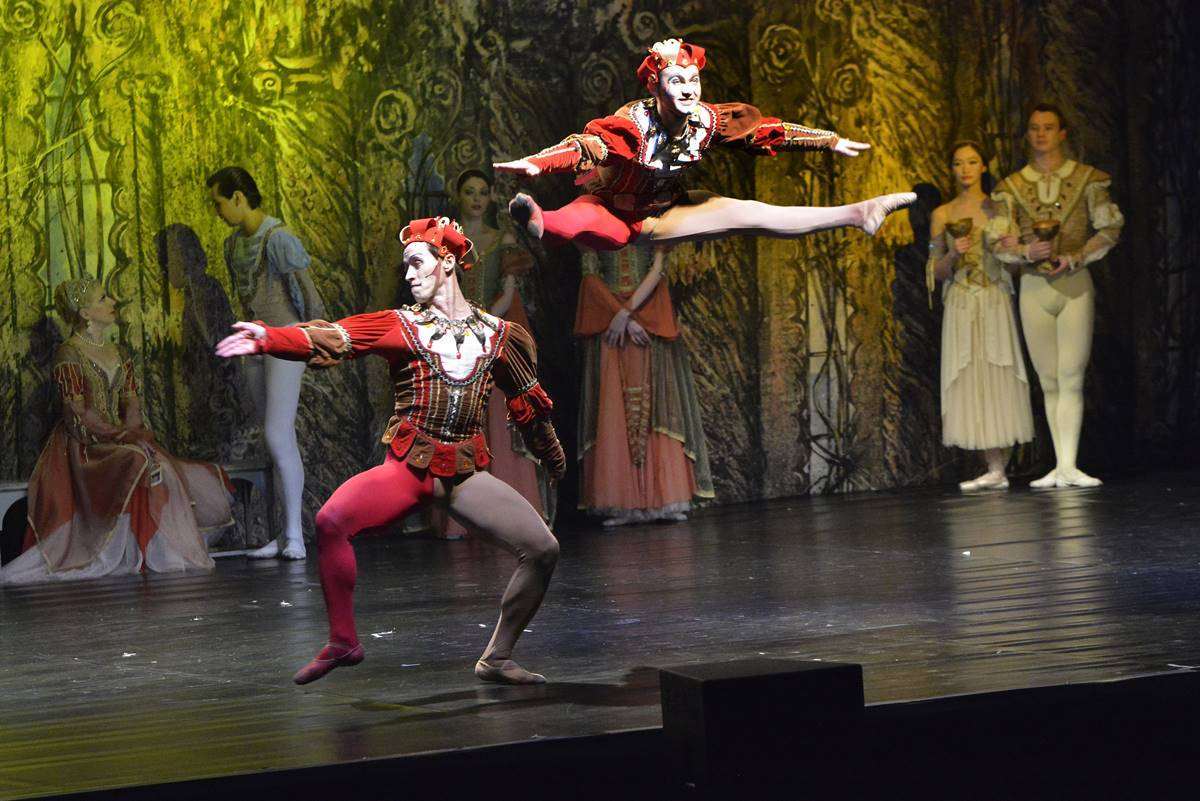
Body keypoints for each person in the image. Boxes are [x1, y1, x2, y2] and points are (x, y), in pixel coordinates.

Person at [216, 217, 566, 686]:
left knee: (543, 549)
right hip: (408, 470)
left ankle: (497, 657)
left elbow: (528, 404)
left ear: (447, 263)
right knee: (330, 521)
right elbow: (333, 337)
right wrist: (269, 337)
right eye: (406, 266)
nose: (409, 275)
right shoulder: (400, 325)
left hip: (464, 476)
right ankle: (344, 641)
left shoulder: (499, 336)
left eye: (417, 263)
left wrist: (552, 455)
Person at [495, 38, 915, 251]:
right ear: (655, 86)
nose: (688, 89)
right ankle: (540, 220)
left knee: (753, 213)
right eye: (676, 81)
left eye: (693, 80)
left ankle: (860, 213)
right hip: (614, 210)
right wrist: (538, 163)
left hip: (666, 213)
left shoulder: (705, 120)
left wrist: (828, 140)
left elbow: (764, 132)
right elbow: (588, 146)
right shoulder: (634, 125)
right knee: (584, 216)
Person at [1, 278, 233, 585]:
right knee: (136, 461)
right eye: (103, 298)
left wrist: (133, 432)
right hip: (84, 446)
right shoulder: (69, 354)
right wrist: (120, 436)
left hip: (120, 437)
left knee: (159, 465)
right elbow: (77, 415)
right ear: (85, 313)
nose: (112, 302)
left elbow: (131, 400)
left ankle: (152, 552)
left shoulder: (118, 351)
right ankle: (121, 553)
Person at [990, 105, 1124, 488]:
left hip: (1074, 282)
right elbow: (997, 239)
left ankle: (1069, 463)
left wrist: (1076, 255)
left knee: (1071, 375)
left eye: (1048, 127)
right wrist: (1025, 251)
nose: (1041, 134)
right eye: (1034, 128)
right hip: (1034, 285)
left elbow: (1109, 229)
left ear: (1062, 133)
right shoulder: (1011, 187)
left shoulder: (1087, 179)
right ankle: (1060, 465)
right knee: (1048, 378)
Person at [208, 166, 325, 557]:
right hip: (255, 344)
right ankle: (283, 533)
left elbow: (309, 296)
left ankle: (295, 536)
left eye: (219, 203)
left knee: (277, 434)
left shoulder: (278, 238)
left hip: (286, 339)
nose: (218, 212)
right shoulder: (232, 245)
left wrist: (315, 342)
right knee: (274, 439)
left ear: (239, 197)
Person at [430, 169, 555, 537]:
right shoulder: (444, 241)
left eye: (482, 192)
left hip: (490, 335)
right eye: (470, 191)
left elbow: (508, 291)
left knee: (499, 422)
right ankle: (462, 519)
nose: (476, 199)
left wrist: (480, 326)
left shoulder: (502, 239)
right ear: (458, 195)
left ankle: (507, 513)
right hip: (452, 337)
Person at [576, 243, 713, 523]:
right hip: (608, 320)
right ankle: (622, 503)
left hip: (648, 315)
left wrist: (626, 314)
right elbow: (590, 276)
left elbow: (657, 269)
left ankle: (660, 499)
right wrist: (618, 317)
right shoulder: (594, 229)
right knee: (614, 406)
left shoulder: (651, 227)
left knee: (657, 403)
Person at [927, 142, 1033, 490]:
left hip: (993, 297)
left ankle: (1000, 466)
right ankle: (993, 467)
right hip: (962, 299)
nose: (965, 170)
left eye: (972, 162)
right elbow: (935, 270)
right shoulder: (942, 214)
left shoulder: (999, 208)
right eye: (958, 163)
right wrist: (953, 255)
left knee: (998, 371)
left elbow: (1015, 262)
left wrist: (1008, 248)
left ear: (983, 166)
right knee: (971, 375)